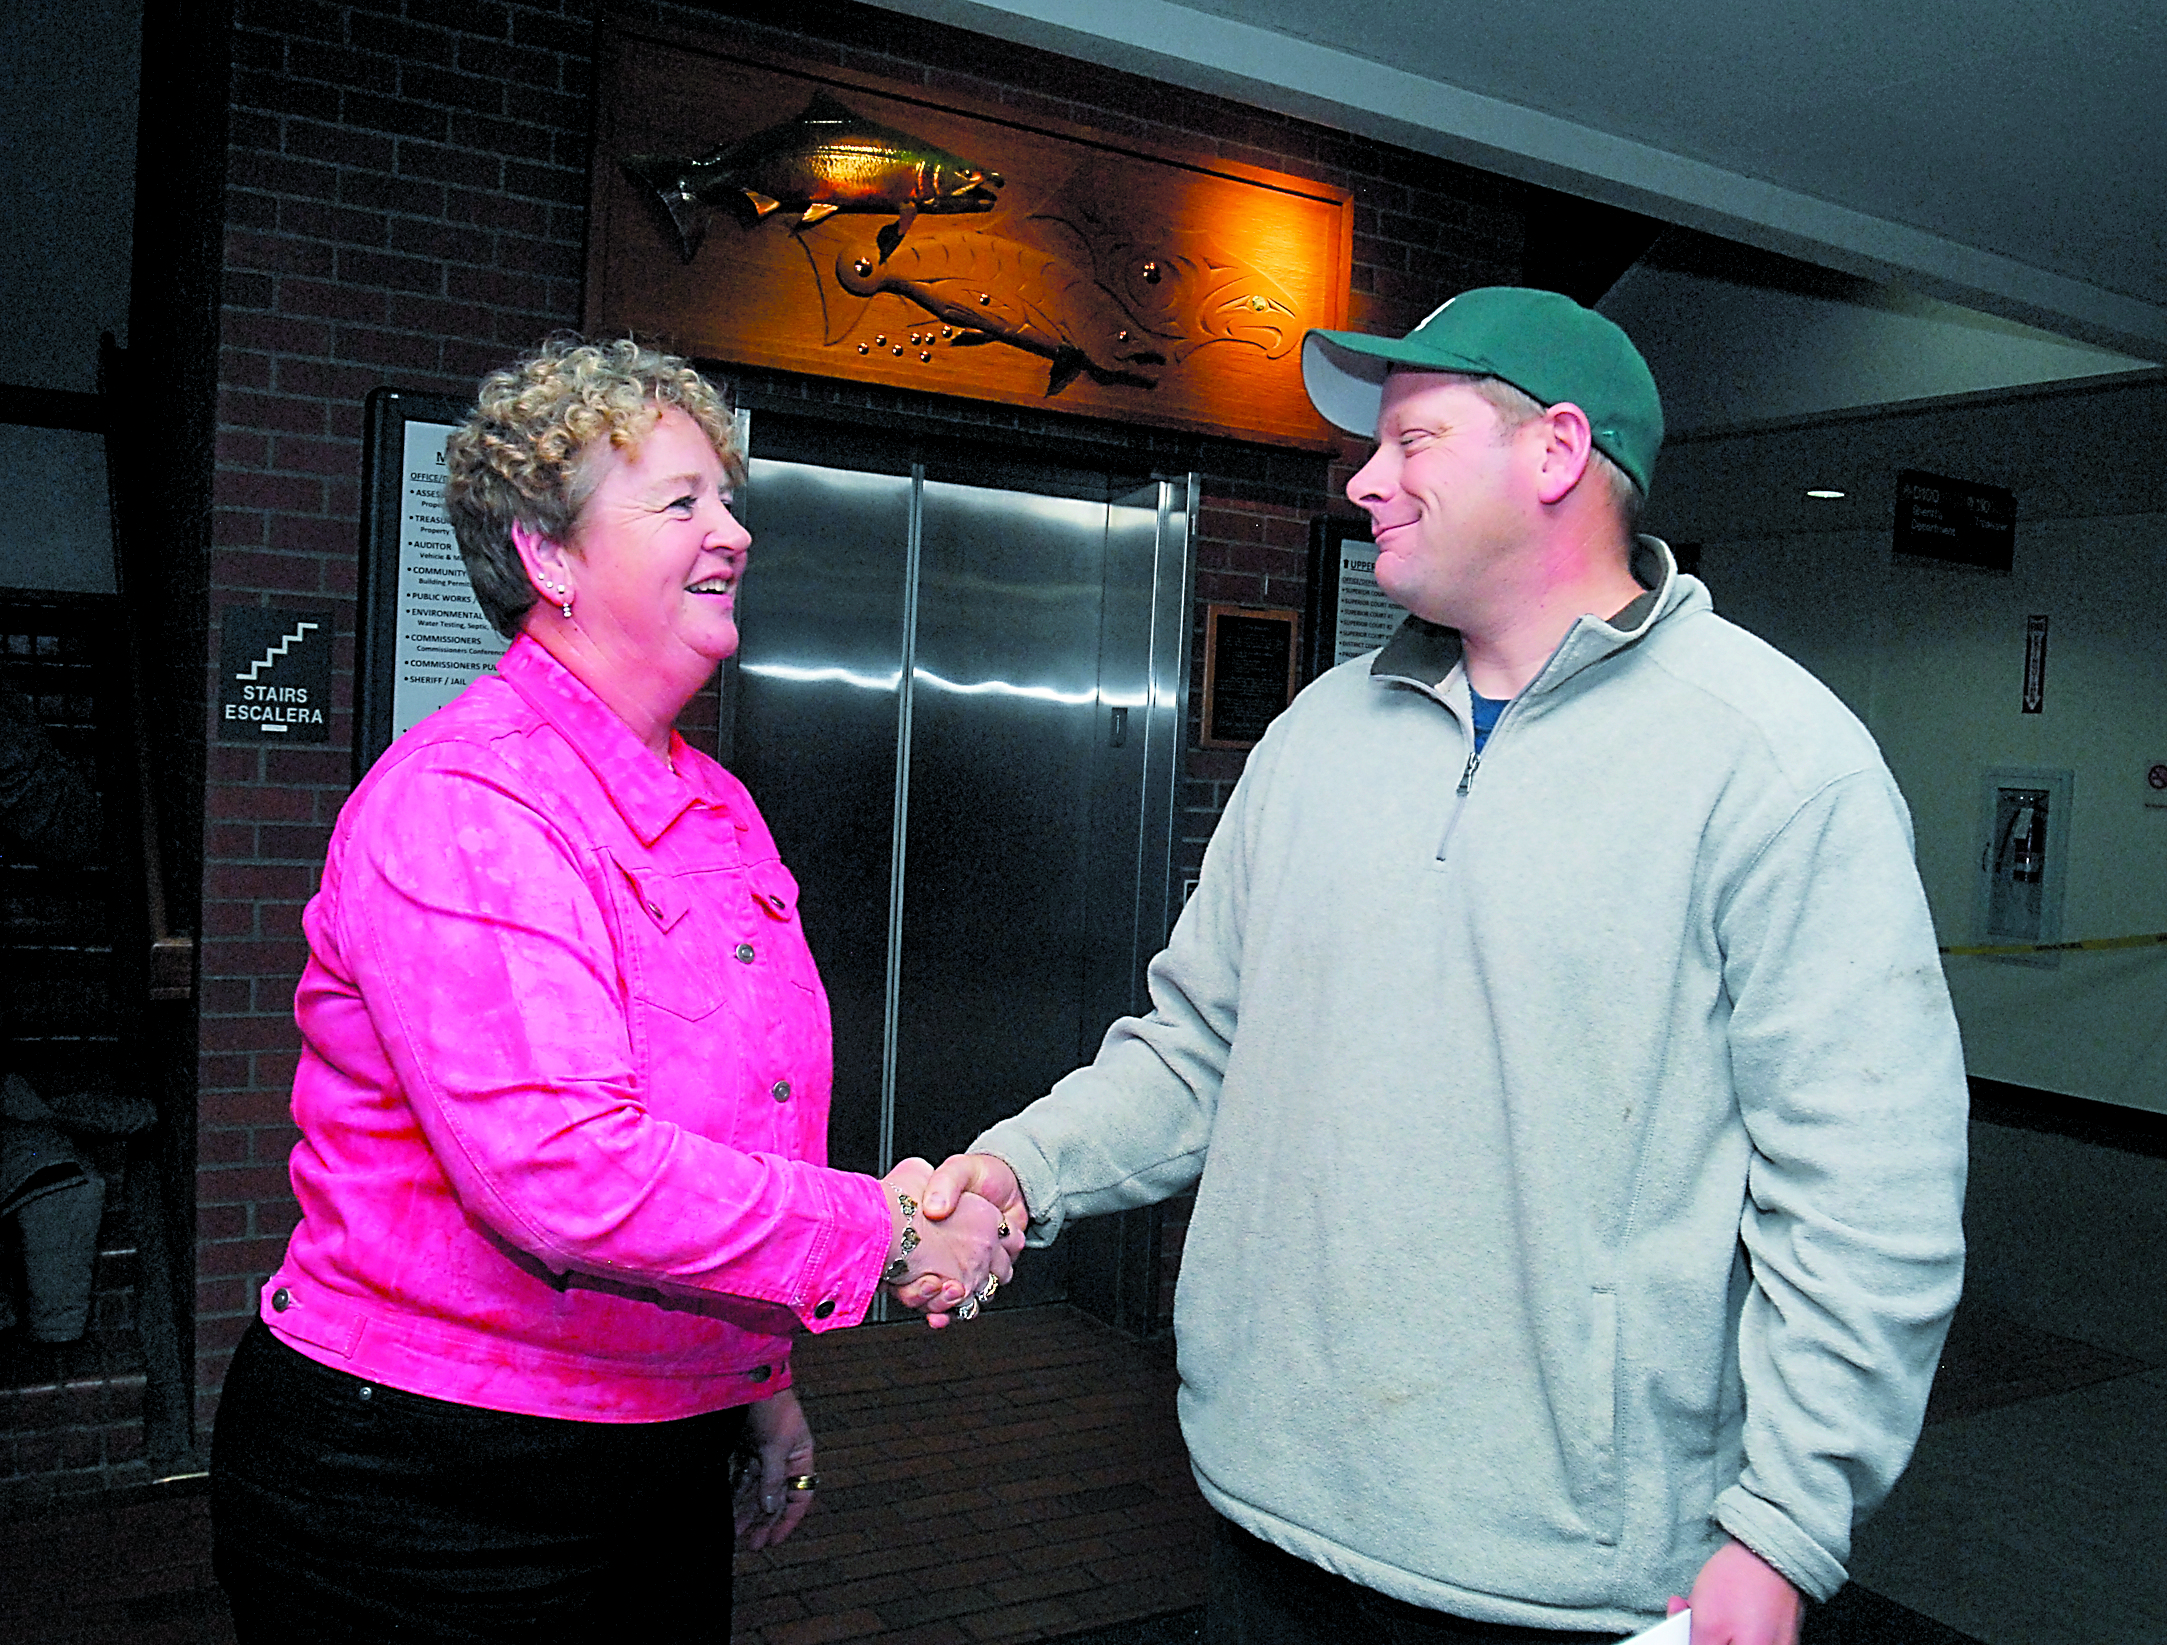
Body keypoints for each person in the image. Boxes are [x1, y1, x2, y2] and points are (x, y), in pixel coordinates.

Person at [920, 288, 1968, 1643]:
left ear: (1552, 455)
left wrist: (1782, 1529)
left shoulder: (1771, 763)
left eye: (1411, 440)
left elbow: (1864, 1195)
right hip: (1262, 1505)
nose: (1366, 480)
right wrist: (1015, 1174)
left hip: (1563, 1577)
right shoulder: (1313, 737)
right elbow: (1195, 1054)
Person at [209, 336, 1019, 1642]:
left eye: (729, 499)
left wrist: (752, 1382)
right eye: (681, 501)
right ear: (548, 557)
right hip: (432, 1487)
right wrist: (890, 1237)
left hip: (651, 1445)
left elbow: (723, 1141)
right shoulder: (471, 801)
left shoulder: (713, 802)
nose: (734, 532)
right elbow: (564, 1177)